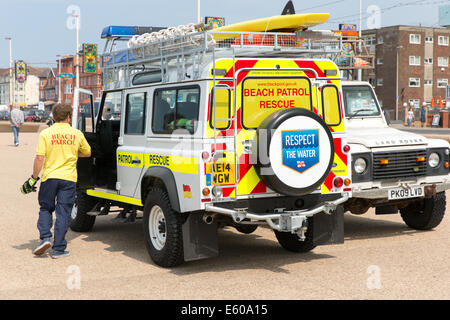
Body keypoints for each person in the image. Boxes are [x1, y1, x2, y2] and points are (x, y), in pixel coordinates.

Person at [20, 103, 91, 259]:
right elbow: (87, 152)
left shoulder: (46, 133)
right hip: (68, 178)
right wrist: (72, 152)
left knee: (46, 208)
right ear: (69, 117)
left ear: (53, 116)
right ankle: (58, 248)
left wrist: (33, 178)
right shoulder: (76, 133)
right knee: (63, 212)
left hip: (50, 177)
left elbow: (40, 158)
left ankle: (45, 238)